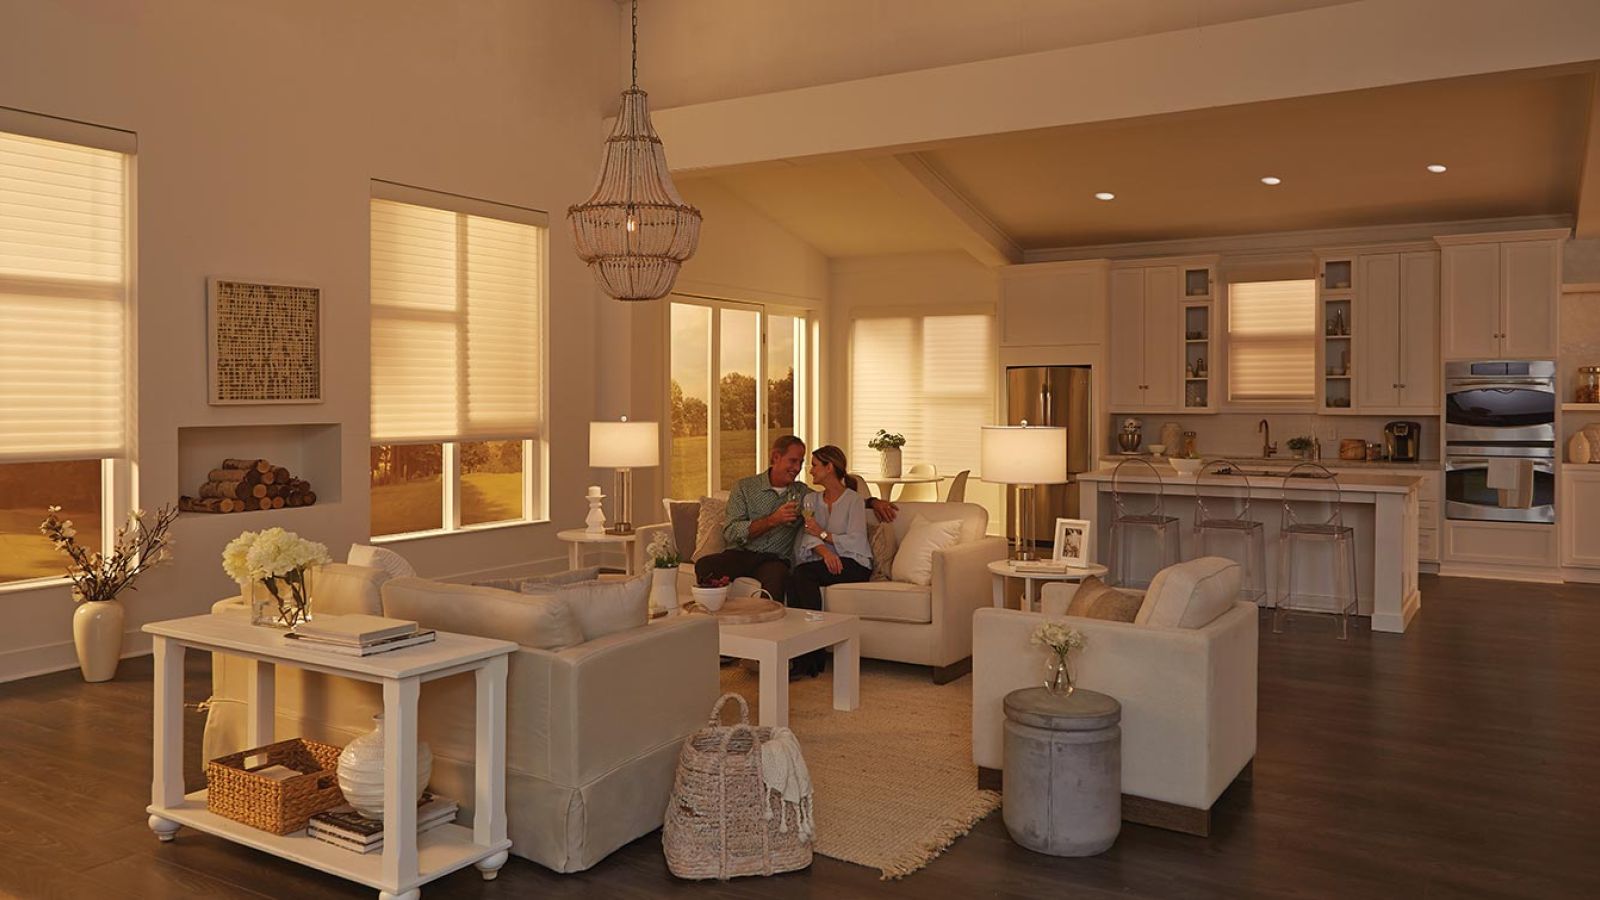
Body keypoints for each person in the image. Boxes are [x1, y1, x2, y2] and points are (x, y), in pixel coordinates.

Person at [696, 435, 897, 606]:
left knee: (780, 577)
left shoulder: (802, 494)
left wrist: (873, 502)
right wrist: (772, 520)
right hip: (740, 553)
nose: (799, 468)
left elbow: (837, 496)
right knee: (705, 566)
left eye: (802, 462)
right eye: (793, 461)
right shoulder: (745, 488)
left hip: (775, 559)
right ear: (776, 457)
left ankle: (770, 638)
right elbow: (730, 531)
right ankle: (713, 625)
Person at [787, 445, 873, 677]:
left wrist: (823, 534)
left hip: (854, 564)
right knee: (794, 577)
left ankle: (811, 658)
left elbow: (856, 539)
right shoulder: (811, 500)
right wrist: (826, 552)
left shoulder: (854, 500)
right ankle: (803, 658)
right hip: (827, 561)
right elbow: (806, 533)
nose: (810, 470)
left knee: (802, 575)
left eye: (814, 465)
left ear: (829, 467)